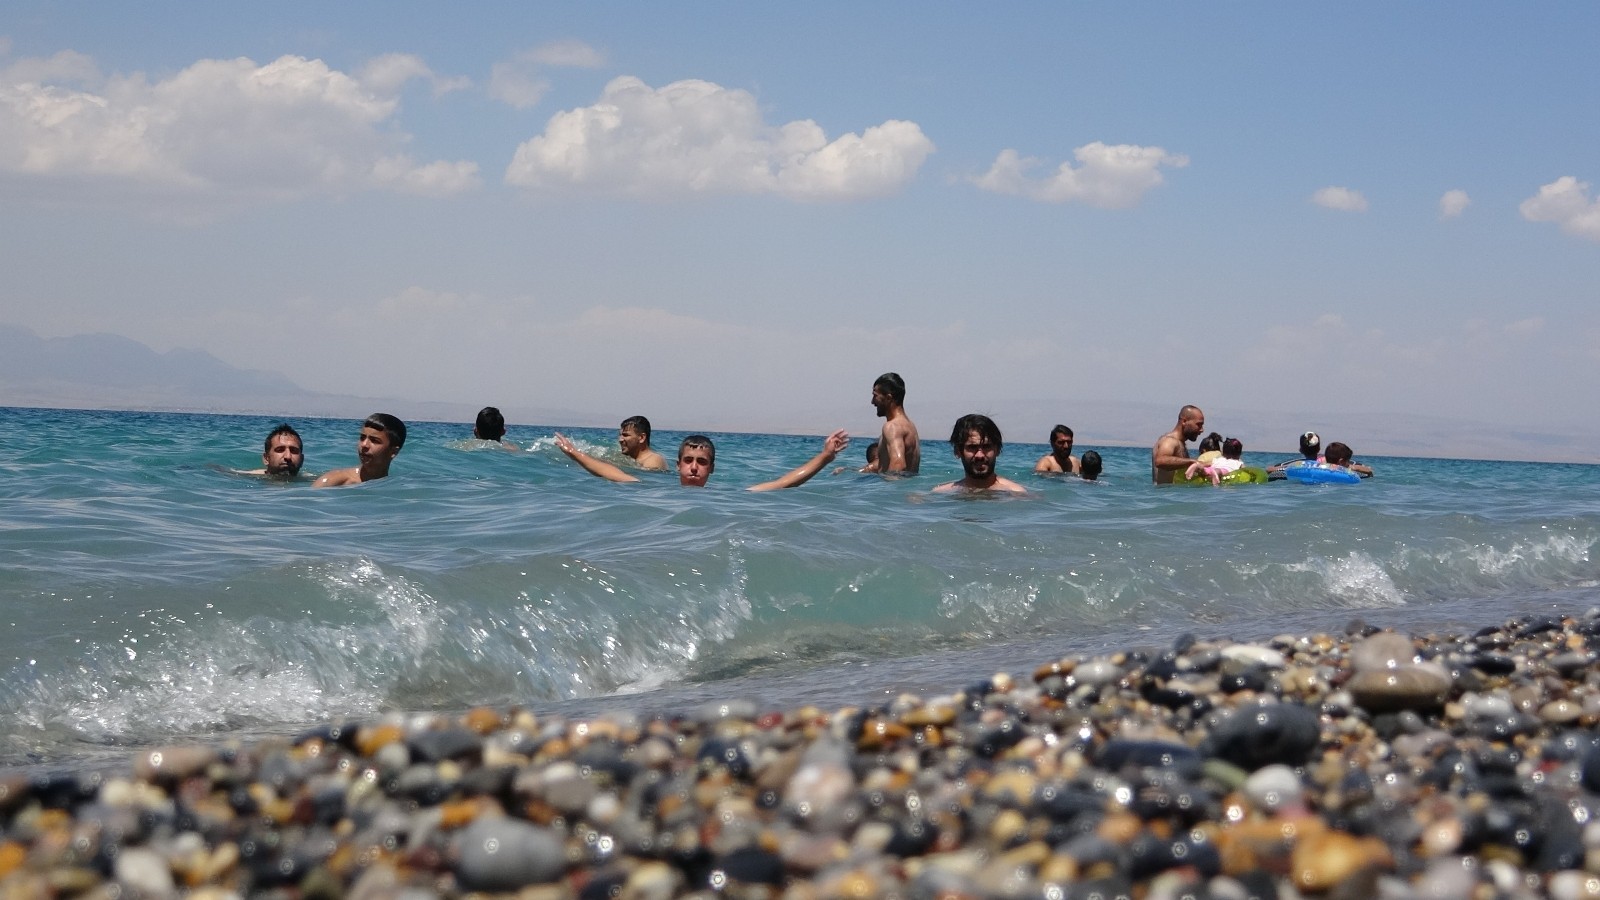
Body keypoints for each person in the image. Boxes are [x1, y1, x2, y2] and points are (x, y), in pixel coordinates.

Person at [554, 430, 850, 491]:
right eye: (689, 460)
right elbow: (609, 472)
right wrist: (575, 454)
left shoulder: (727, 497)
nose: (694, 467)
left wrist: (825, 457)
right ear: (678, 463)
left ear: (712, 468)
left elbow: (783, 482)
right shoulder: (657, 490)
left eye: (702, 462)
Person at [935, 414, 1028, 494]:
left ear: (998, 450)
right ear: (957, 451)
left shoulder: (1016, 494)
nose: (980, 455)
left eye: (986, 447)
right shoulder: (942, 493)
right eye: (972, 447)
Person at [312, 414, 406, 488]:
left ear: (393, 452)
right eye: (362, 438)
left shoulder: (397, 488)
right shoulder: (332, 482)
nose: (364, 445)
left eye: (374, 441)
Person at [869, 372, 920, 474]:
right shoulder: (910, 426)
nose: (872, 402)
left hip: (894, 487)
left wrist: (889, 489)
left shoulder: (892, 427)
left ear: (888, 398)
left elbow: (898, 465)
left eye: (875, 396)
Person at [1152, 405, 1205, 484]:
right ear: (1184, 421)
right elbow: (1160, 461)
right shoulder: (1169, 441)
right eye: (1198, 424)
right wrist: (1192, 462)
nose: (1202, 430)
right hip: (1165, 495)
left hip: (1175, 495)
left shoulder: (1180, 443)